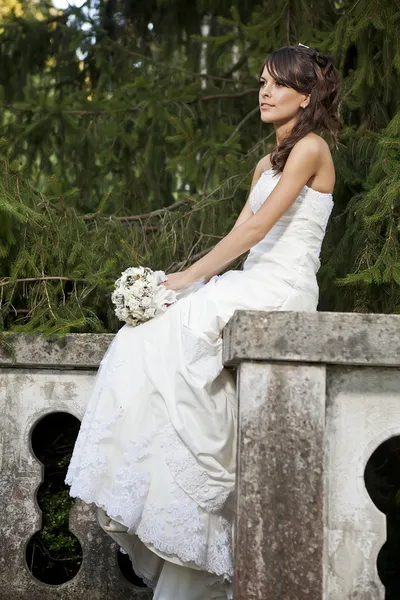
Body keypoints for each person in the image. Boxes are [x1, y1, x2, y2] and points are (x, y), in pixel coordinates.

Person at [65, 44, 341, 600]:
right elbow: (239, 236)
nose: (263, 92)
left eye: (276, 84)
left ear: (305, 96)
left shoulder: (312, 147)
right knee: (144, 335)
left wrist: (180, 281)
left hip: (282, 287)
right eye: (260, 81)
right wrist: (181, 284)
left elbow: (255, 234)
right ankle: (164, 493)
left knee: (171, 325)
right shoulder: (267, 163)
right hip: (252, 278)